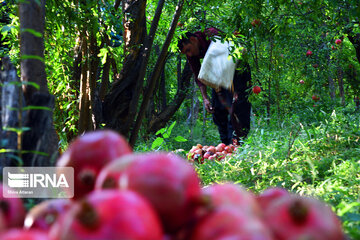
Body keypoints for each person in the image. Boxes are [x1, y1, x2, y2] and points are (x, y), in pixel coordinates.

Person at [178, 28, 252, 145]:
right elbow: (199, 75)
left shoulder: (211, 34)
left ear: (193, 40)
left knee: (239, 106)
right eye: (186, 53)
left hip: (237, 69)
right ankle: (226, 146)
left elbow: (232, 47)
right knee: (218, 110)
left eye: (188, 50)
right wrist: (205, 98)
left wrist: (234, 90)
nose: (189, 54)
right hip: (218, 75)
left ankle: (239, 144)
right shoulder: (192, 55)